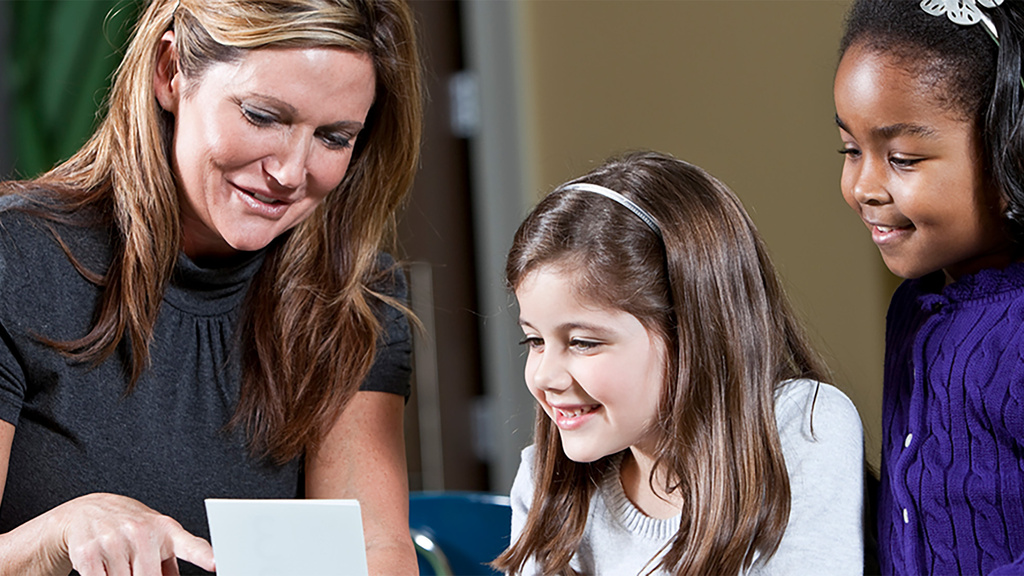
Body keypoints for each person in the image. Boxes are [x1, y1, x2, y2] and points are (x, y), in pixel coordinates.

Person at [0, 0, 422, 574]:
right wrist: (61, 532)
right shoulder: (15, 257)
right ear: (170, 71)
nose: (291, 173)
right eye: (263, 116)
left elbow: (373, 554)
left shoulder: (352, 295)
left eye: (333, 137)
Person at [492, 151, 865, 575]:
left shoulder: (805, 425)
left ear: (693, 330)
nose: (544, 376)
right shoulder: (544, 480)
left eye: (583, 342)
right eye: (534, 340)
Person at [833, 1, 1024, 574]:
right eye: (850, 150)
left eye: (904, 159)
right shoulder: (913, 308)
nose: (864, 186)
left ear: (1009, 150)